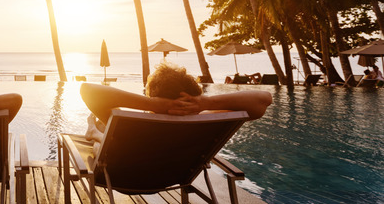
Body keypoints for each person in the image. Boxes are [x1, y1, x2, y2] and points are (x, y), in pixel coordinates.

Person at [82, 62, 272, 145]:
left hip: (122, 177)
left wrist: (152, 105)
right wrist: (205, 103)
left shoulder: (133, 124)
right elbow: (263, 99)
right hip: (175, 178)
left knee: (105, 140)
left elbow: (87, 90)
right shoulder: (206, 122)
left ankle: (95, 133)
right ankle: (95, 132)